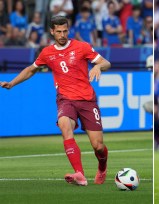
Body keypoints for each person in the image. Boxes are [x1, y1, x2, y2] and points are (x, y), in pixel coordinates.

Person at [0, 16, 111, 186]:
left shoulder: (82, 47)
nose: (62, 35)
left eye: (65, 31)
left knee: (98, 146)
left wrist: (97, 66)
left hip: (87, 100)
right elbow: (31, 70)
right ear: (52, 31)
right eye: (58, 31)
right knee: (65, 125)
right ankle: (80, 174)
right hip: (65, 99)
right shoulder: (47, 53)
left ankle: (102, 166)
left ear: (69, 30)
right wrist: (12, 83)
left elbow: (106, 63)